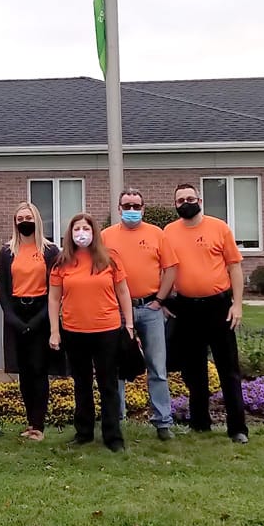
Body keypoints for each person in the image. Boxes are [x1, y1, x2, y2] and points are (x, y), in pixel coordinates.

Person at [164, 183, 249, 443]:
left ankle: (237, 429)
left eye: (190, 198)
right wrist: (163, 299)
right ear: (176, 205)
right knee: (194, 370)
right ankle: (200, 424)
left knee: (228, 369)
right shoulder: (168, 232)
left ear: (199, 200)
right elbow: (165, 268)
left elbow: (234, 267)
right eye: (181, 200)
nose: (186, 202)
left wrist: (237, 304)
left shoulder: (219, 228)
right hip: (186, 307)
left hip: (218, 306)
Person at [48, 212, 133, 452]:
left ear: (94, 232)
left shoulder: (110, 258)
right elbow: (54, 298)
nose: (81, 233)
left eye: (86, 228)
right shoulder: (61, 261)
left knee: (108, 384)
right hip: (74, 331)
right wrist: (55, 331)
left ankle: (113, 436)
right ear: (70, 234)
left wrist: (128, 325)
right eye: (76, 229)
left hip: (107, 330)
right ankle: (83, 432)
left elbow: (123, 292)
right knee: (81, 384)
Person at [102, 187, 177, 440]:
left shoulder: (157, 234)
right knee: (116, 367)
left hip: (150, 309)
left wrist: (160, 299)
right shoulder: (105, 237)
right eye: (127, 206)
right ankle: (117, 418)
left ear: (143, 209)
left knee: (157, 366)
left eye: (136, 206)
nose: (132, 210)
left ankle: (162, 422)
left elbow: (170, 269)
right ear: (119, 208)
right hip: (117, 311)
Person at [0, 203, 59, 441]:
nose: (24, 221)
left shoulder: (49, 250)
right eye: (20, 217)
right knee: (23, 372)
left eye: (28, 217)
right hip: (15, 314)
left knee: (38, 370)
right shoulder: (7, 252)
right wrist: (13, 318)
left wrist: (36, 320)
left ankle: (39, 426)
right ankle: (29, 422)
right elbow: (3, 290)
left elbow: (55, 289)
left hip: (41, 313)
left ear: (37, 220)